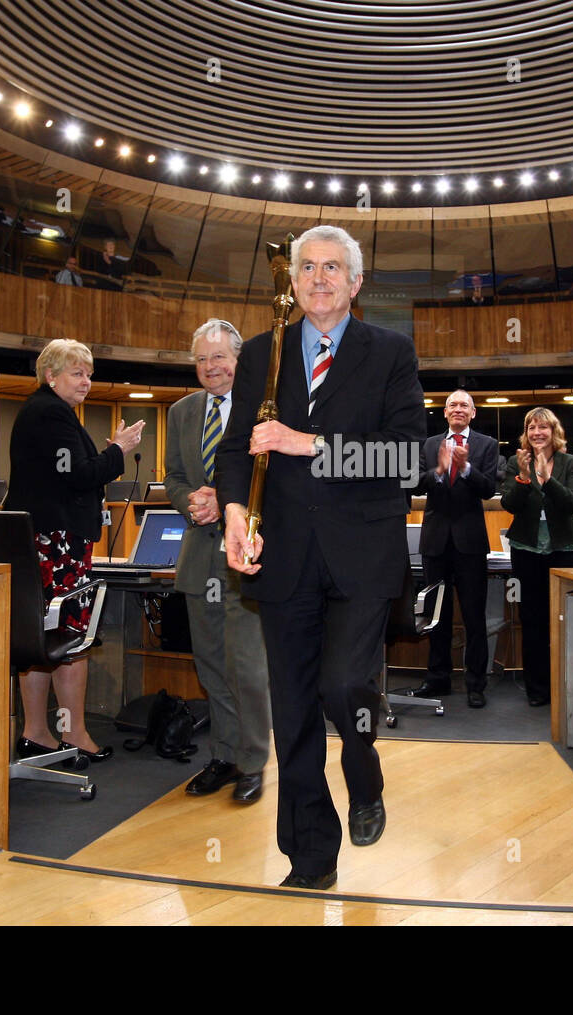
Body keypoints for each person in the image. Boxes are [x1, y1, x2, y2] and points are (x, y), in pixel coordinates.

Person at [217, 224, 424, 891]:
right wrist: (232, 518)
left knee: (341, 686)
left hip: (364, 554)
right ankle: (312, 856)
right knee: (294, 708)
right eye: (307, 267)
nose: (319, 277)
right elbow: (234, 452)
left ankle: (364, 776)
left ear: (356, 283)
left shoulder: (390, 352)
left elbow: (406, 456)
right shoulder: (259, 354)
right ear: (293, 282)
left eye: (334, 267)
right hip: (283, 556)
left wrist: (305, 443)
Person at [3, 339, 144, 762]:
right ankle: (76, 734)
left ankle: (38, 733)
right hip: (57, 545)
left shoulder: (44, 411)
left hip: (42, 543)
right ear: (51, 376)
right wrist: (118, 450)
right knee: (70, 638)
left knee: (41, 639)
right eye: (77, 373)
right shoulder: (50, 413)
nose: (86, 381)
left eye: (89, 373)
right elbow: (80, 475)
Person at [164, 319, 270, 802]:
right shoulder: (183, 412)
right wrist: (191, 500)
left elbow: (276, 476)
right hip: (196, 557)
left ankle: (253, 762)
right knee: (209, 667)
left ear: (238, 359)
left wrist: (222, 497)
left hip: (244, 555)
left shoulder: (262, 408)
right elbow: (173, 476)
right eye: (202, 359)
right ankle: (224, 756)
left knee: (245, 667)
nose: (211, 367)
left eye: (219, 357)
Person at [413, 389, 498, 709]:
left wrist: (463, 469)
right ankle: (438, 679)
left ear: (473, 413)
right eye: (453, 405)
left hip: (470, 543)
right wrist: (439, 470)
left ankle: (476, 684)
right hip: (435, 542)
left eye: (464, 405)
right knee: (437, 615)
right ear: (445, 412)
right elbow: (416, 483)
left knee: (474, 616)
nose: (458, 409)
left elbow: (489, 487)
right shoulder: (430, 444)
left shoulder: (487, 445)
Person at [499, 408, 573, 707]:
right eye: (532, 427)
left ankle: (567, 685)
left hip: (564, 552)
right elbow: (509, 504)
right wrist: (523, 479)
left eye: (543, 427)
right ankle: (537, 689)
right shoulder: (515, 462)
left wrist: (548, 480)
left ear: (554, 431)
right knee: (532, 621)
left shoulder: (570, 462)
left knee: (565, 620)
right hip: (527, 553)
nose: (537, 433)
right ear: (526, 432)